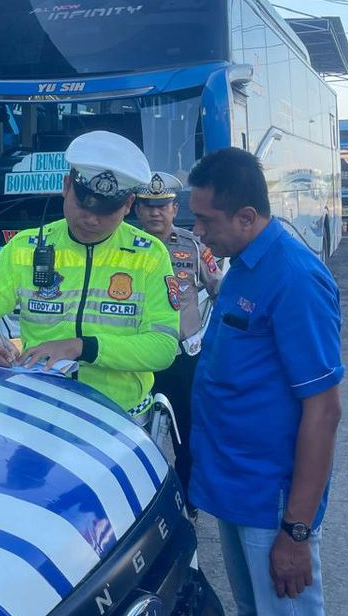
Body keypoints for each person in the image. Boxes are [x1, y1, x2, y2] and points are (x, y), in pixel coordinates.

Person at [187, 147, 343, 615]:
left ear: (246, 216)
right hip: (236, 489)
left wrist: (295, 531)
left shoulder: (294, 278)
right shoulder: (242, 266)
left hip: (271, 502)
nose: (197, 231)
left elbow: (325, 409)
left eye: (205, 220)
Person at [0, 131, 180, 416]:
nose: (92, 219)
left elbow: (163, 347)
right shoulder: (26, 247)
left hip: (119, 416)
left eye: (108, 210)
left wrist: (81, 348)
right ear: (66, 186)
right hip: (41, 410)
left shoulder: (149, 255)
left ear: (129, 204)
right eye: (84, 204)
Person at [134, 170, 222, 497]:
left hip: (184, 359)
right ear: (136, 210)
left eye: (163, 205)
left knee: (188, 435)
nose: (155, 212)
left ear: (174, 208)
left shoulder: (194, 248)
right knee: (138, 434)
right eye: (147, 205)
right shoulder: (126, 249)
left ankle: (188, 500)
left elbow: (219, 293)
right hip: (139, 357)